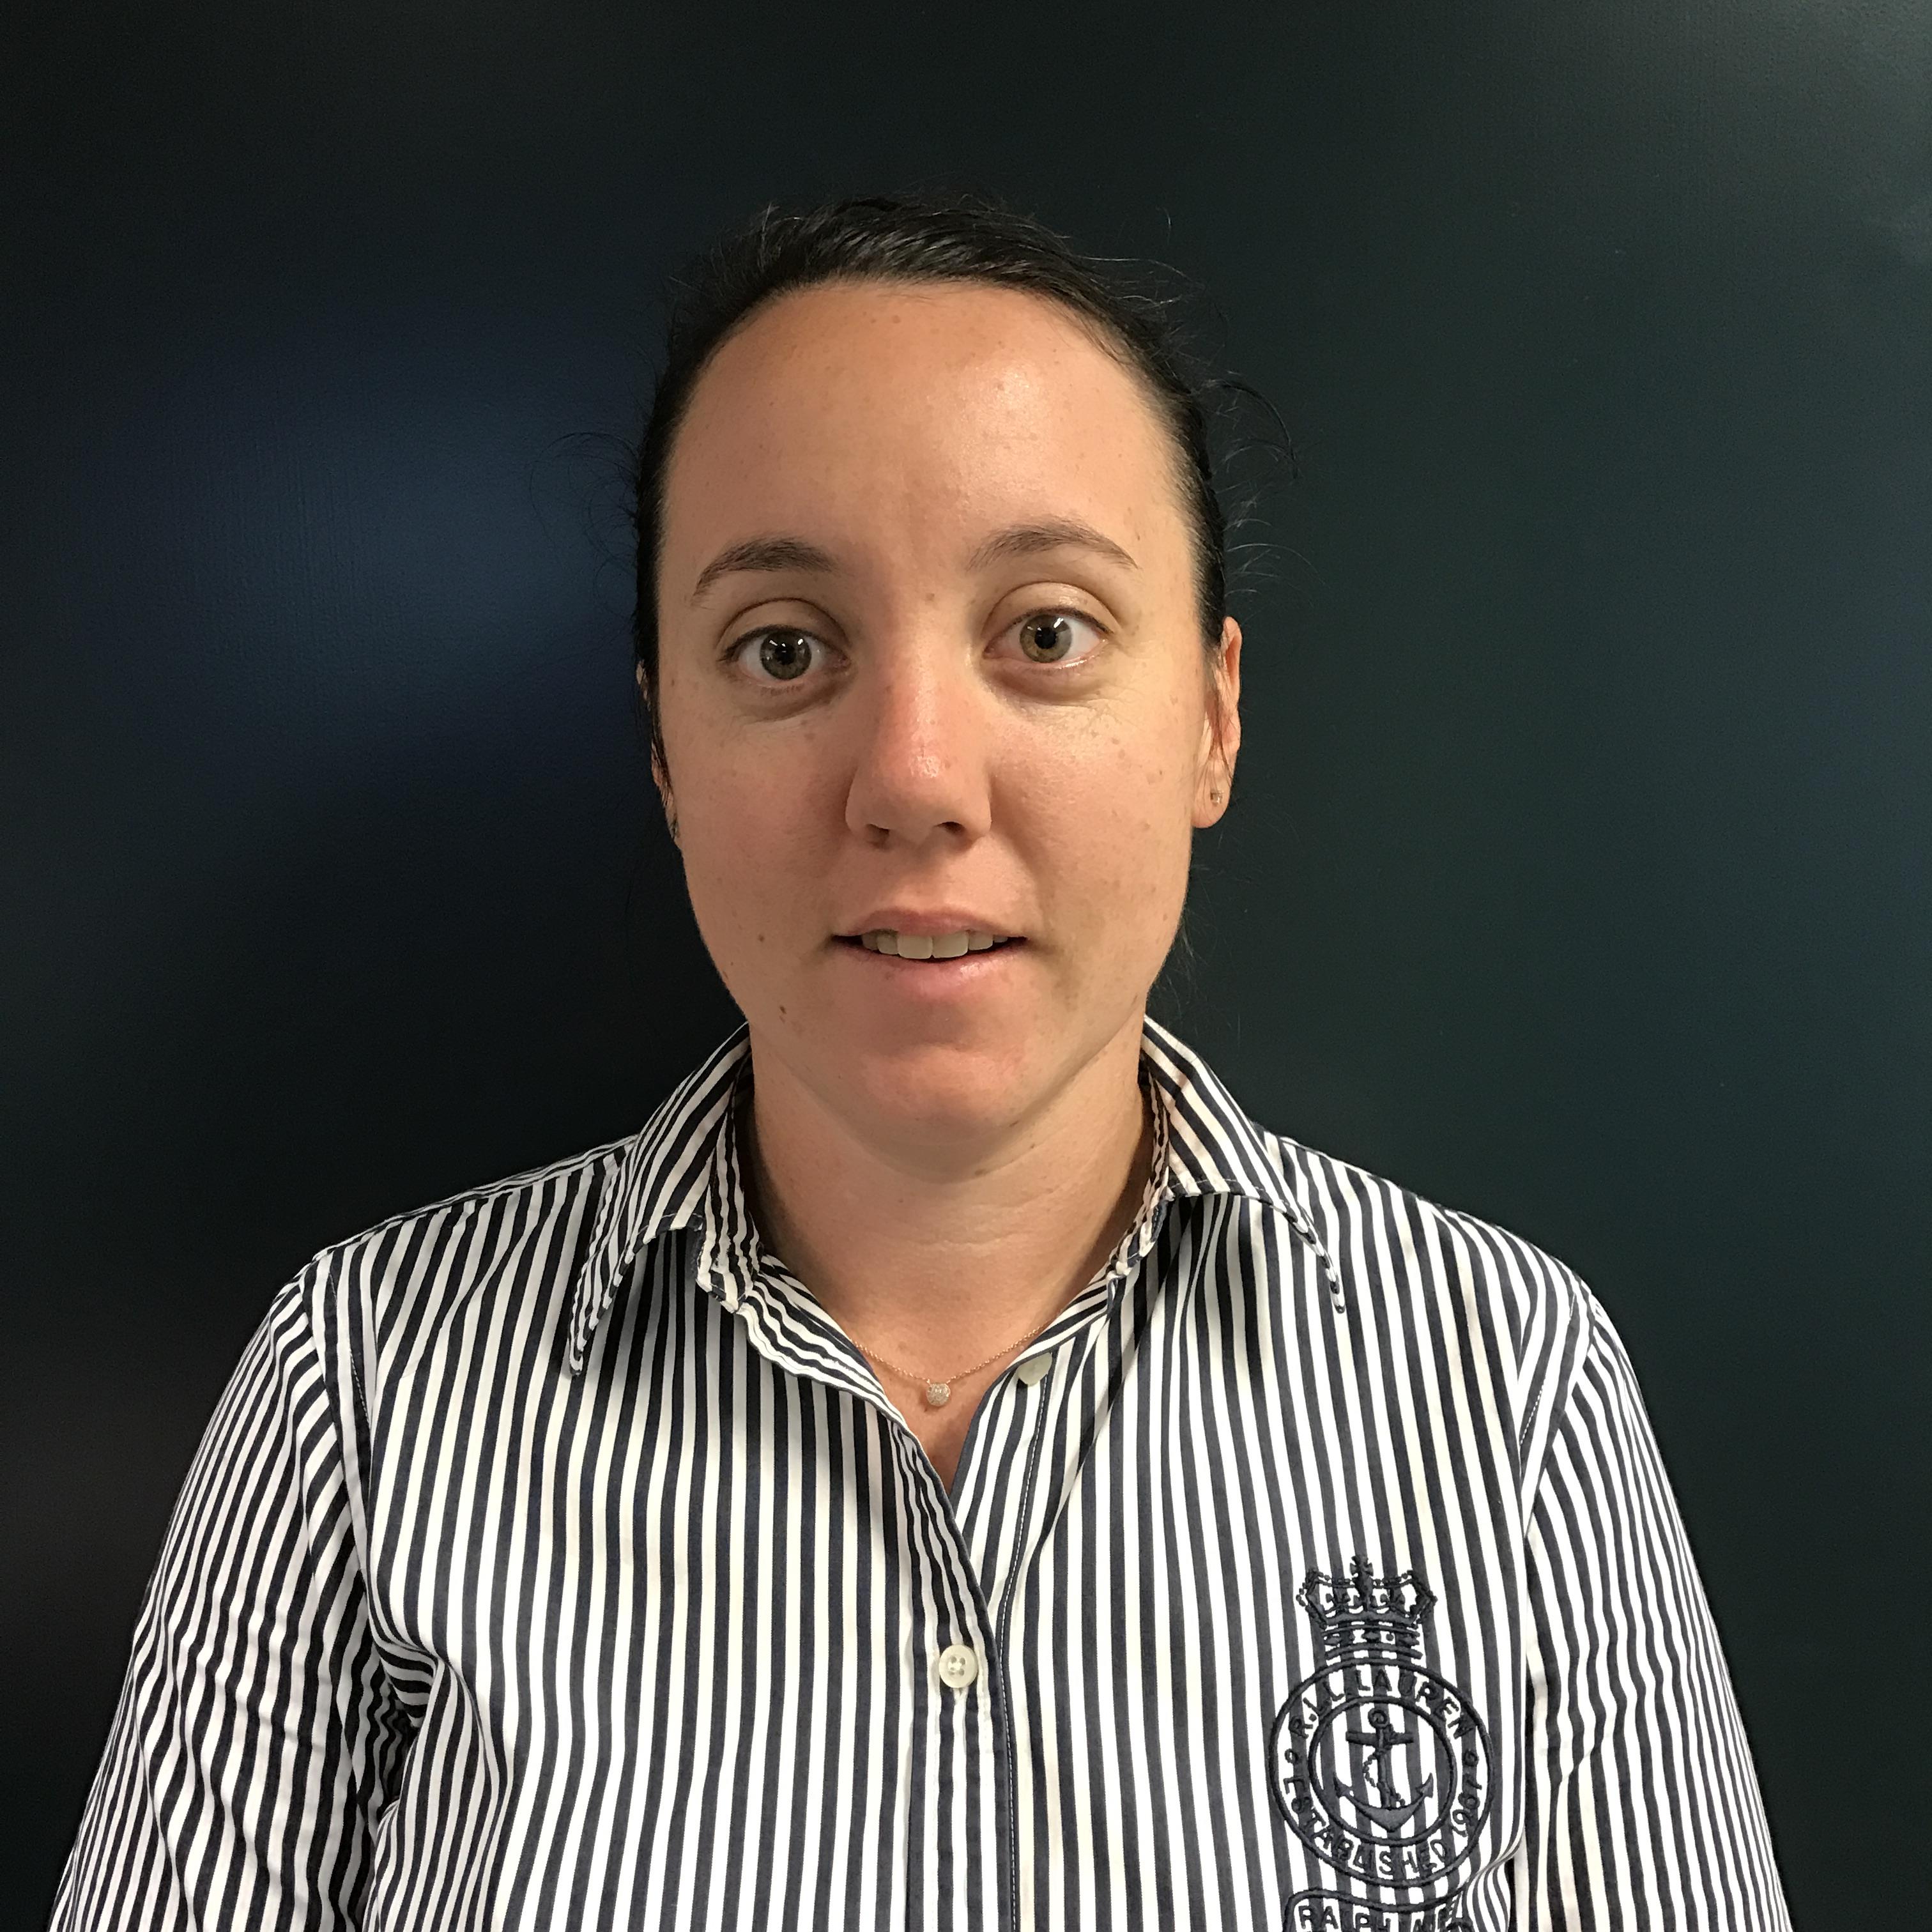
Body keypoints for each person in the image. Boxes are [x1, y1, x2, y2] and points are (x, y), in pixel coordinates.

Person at [51, 192, 1791, 1930]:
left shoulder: (1504, 1388)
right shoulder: (363, 1390)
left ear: (1212, 717)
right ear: (663, 747)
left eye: (1047, 633)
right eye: (785, 649)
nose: (915, 779)